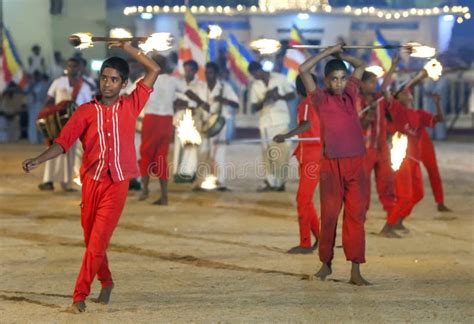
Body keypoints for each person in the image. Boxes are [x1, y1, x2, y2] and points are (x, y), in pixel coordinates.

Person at [22, 41, 160, 313]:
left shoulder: (132, 104)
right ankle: (106, 282)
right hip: (91, 183)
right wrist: (38, 160)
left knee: (97, 242)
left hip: (117, 184)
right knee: (92, 241)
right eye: (104, 78)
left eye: (114, 79)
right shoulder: (85, 111)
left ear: (123, 84)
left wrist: (127, 47)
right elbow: (63, 143)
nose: (107, 83)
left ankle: (79, 296)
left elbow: (153, 67)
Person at [299, 44, 369, 285]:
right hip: (331, 166)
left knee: (356, 217)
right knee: (329, 217)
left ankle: (355, 271)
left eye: (342, 78)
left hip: (356, 164)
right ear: (326, 81)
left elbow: (360, 65)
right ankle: (326, 264)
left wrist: (342, 56)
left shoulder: (351, 93)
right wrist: (328, 52)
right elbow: (303, 69)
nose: (339, 83)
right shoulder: (319, 98)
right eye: (334, 79)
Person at [380, 69, 445, 237]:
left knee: (418, 194)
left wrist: (437, 103)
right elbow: (385, 90)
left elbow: (439, 119)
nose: (407, 93)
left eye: (408, 92)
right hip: (403, 158)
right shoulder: (397, 111)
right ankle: (388, 226)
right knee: (405, 196)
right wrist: (393, 68)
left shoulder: (419, 114)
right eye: (403, 92)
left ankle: (399, 220)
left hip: (414, 160)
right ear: (398, 98)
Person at [274, 74, 321, 254]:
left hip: (312, 156)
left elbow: (307, 124)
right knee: (306, 200)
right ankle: (319, 236)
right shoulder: (315, 102)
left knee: (302, 200)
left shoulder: (307, 103)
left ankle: (305, 243)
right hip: (307, 154)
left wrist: (286, 136)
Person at [38, 57, 93, 192]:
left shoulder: (85, 86)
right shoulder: (58, 82)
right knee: (52, 150)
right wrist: (46, 117)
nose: (71, 68)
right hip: (57, 123)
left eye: (74, 66)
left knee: (70, 154)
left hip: (75, 125)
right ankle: (48, 181)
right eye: (69, 66)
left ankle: (66, 183)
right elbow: (49, 100)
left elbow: (88, 107)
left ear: (80, 68)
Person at [138, 55, 184, 204]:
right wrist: (200, 102)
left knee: (146, 153)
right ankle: (164, 196)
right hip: (166, 121)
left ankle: (145, 190)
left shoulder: (145, 79)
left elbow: (128, 95)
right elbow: (187, 93)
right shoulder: (173, 80)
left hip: (151, 119)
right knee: (161, 157)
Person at [358, 56, 398, 216]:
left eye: (375, 82)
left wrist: (393, 65)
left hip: (381, 148)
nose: (375, 85)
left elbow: (386, 85)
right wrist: (371, 113)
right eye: (371, 82)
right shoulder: (358, 102)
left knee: (387, 183)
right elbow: (361, 127)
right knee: (363, 187)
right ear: (362, 84)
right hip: (365, 150)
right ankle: (360, 219)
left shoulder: (379, 98)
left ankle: (392, 218)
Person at [248, 61, 295, 192]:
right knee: (267, 154)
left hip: (281, 120)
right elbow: (253, 107)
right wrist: (265, 99)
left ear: (259, 70)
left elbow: (292, 95)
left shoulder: (280, 78)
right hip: (265, 123)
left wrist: (278, 96)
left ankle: (280, 183)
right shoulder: (255, 86)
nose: (255, 77)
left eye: (255, 74)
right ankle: (270, 181)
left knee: (282, 153)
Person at [192, 62, 239, 191]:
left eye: (211, 73)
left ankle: (220, 182)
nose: (208, 75)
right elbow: (192, 103)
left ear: (216, 74)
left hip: (220, 125)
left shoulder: (225, 87)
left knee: (219, 154)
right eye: (206, 73)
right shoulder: (200, 87)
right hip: (204, 124)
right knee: (202, 153)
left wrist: (224, 100)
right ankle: (199, 182)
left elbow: (236, 104)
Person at [173, 60, 207, 182]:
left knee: (191, 146)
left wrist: (186, 103)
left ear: (195, 71)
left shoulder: (200, 85)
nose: (187, 73)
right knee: (178, 147)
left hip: (193, 120)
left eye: (190, 70)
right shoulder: (177, 83)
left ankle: (189, 173)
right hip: (179, 119)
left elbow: (201, 102)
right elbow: (174, 100)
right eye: (186, 70)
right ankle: (177, 172)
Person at [25, 71, 49, 144]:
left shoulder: (44, 84)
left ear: (40, 76)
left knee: (41, 122)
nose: (36, 78)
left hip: (40, 105)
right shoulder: (31, 84)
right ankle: (33, 140)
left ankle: (42, 140)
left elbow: (41, 95)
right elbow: (25, 91)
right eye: (34, 76)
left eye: (37, 76)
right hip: (32, 106)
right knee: (32, 123)